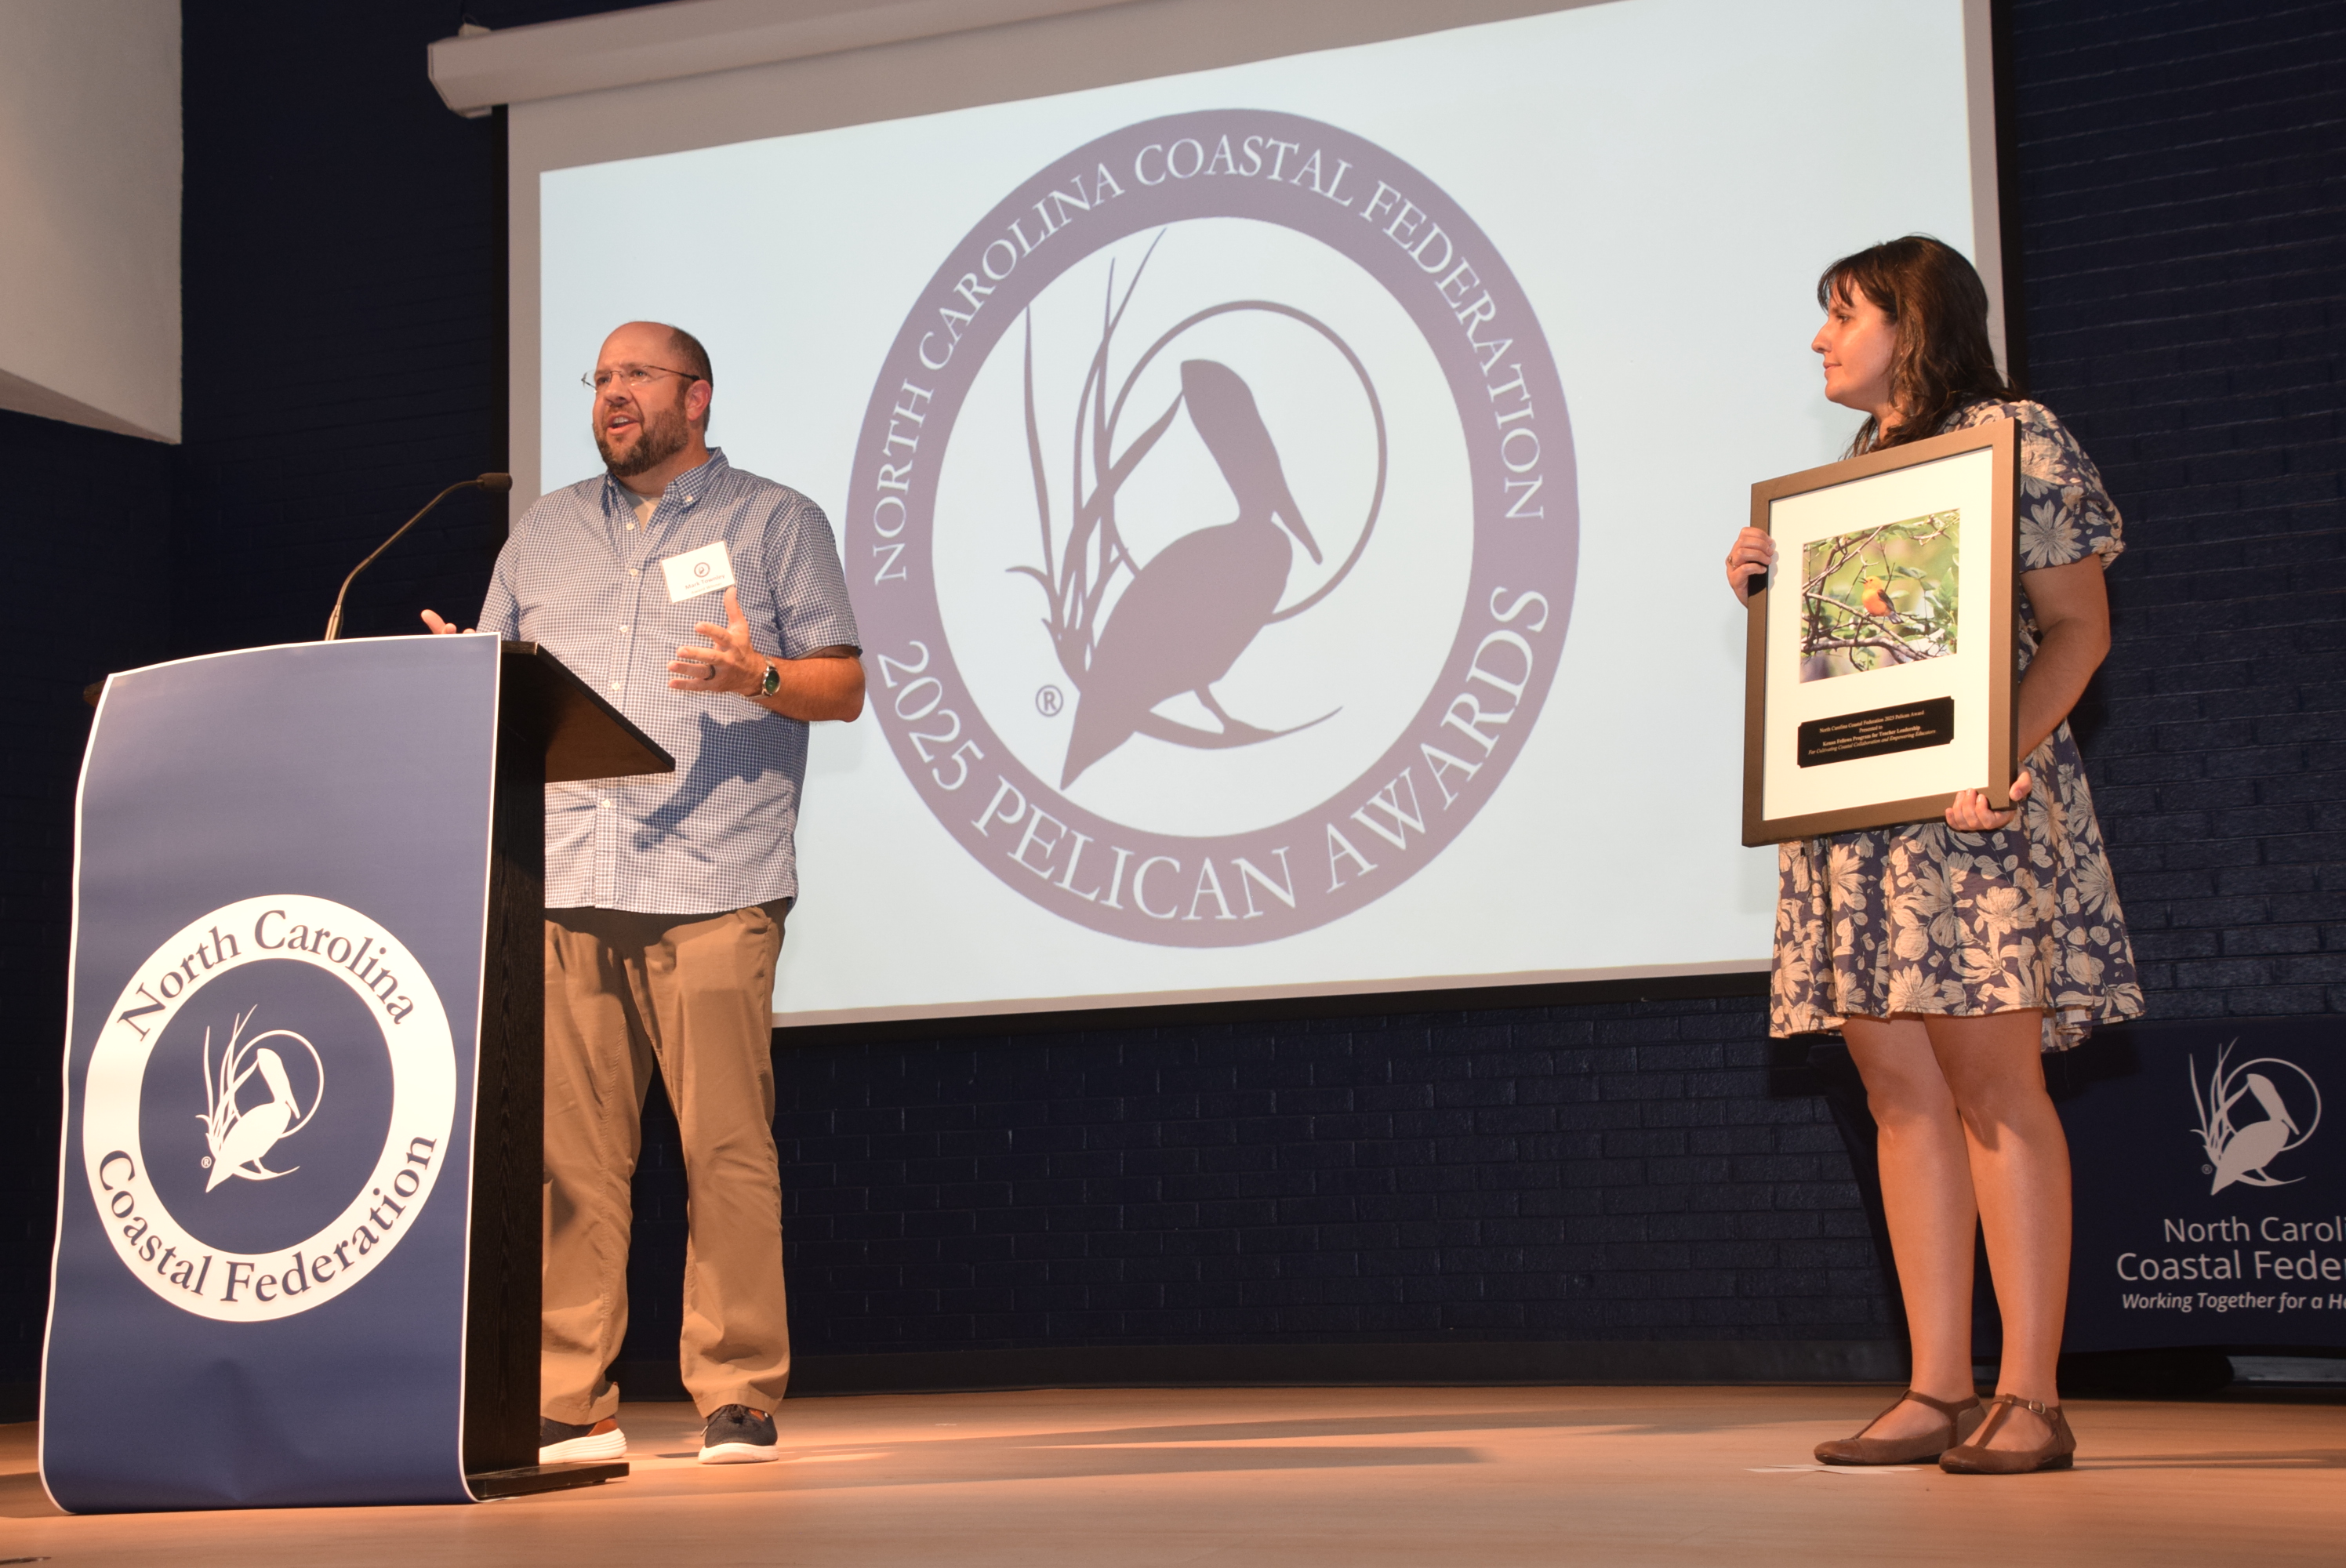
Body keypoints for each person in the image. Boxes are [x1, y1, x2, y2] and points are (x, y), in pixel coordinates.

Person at [1724, 236, 2143, 1475]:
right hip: (1860, 828)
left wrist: (1994, 750)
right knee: (1899, 1102)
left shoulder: (2018, 437)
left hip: (1975, 819)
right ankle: (1938, 1388)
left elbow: (2078, 628)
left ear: (1910, 321)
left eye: (1841, 315)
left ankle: (2032, 1396)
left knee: (1995, 1095)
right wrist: (1769, 583)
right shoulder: (1855, 471)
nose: (1820, 340)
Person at [423, 321, 864, 1465]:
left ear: (697, 397)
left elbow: (844, 681)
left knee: (724, 1148)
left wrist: (753, 673)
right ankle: (572, 1401)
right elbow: (498, 677)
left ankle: (736, 1393)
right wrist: (452, 672)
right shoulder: (547, 531)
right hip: (569, 882)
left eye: (637, 378)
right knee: (572, 1161)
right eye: (602, 379)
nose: (613, 395)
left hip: (717, 881)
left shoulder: (775, 521)